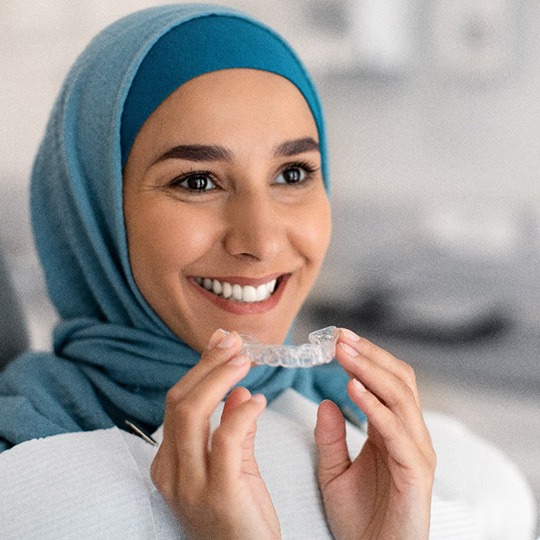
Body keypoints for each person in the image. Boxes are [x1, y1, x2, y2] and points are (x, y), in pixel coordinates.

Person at [0, 4, 536, 539]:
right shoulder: (24, 466)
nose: (261, 241)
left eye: (293, 173)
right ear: (95, 209)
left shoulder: (388, 447)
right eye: (197, 182)